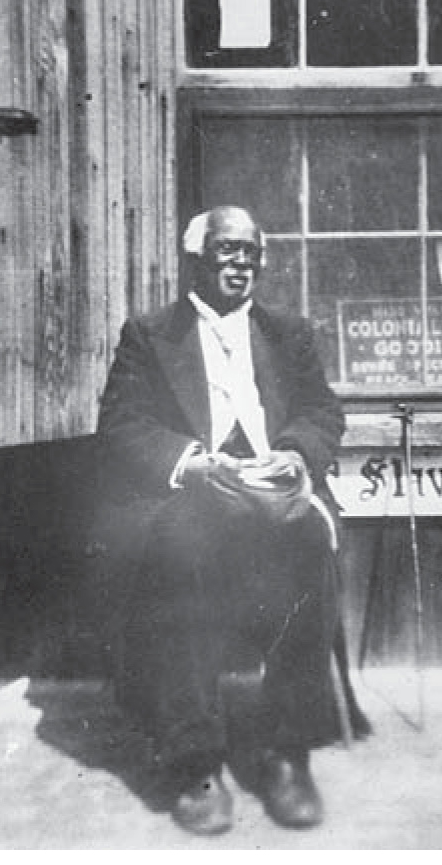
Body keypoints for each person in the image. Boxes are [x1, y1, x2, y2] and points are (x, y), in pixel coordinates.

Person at [93, 205, 364, 836]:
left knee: (310, 547)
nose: (240, 264)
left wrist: (296, 453)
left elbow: (324, 410)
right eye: (226, 251)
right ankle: (198, 764)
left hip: (273, 487)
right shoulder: (151, 332)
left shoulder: (286, 330)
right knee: (181, 556)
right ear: (196, 259)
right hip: (195, 488)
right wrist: (188, 463)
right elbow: (122, 424)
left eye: (249, 253)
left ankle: (286, 755)